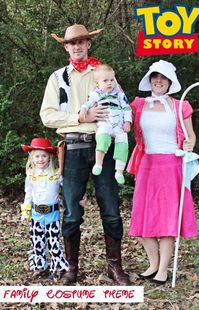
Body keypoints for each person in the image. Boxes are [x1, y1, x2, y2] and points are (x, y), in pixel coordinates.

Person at [40, 24, 130, 285]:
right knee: (71, 212)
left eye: (82, 41)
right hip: (74, 148)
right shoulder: (58, 78)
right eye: (72, 43)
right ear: (66, 47)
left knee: (111, 208)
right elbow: (47, 116)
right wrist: (79, 116)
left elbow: (122, 103)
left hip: (105, 146)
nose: (77, 46)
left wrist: (124, 122)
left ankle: (115, 266)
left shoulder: (103, 73)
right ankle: (72, 267)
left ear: (89, 43)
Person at [127, 60, 199, 285]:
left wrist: (189, 145)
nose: (158, 80)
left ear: (170, 82)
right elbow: (119, 116)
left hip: (171, 166)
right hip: (147, 165)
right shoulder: (138, 105)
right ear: (150, 79)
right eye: (155, 76)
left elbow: (191, 136)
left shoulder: (179, 106)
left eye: (163, 77)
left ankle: (163, 269)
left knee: (168, 219)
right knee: (142, 221)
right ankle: (153, 263)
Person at [21, 137, 68, 279]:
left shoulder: (56, 173)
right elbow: (28, 194)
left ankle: (58, 266)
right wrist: (26, 212)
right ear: (31, 157)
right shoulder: (30, 175)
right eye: (37, 156)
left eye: (43, 156)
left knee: (53, 241)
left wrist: (79, 197)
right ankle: (40, 266)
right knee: (37, 241)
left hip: (52, 213)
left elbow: (68, 188)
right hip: (36, 214)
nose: (40, 159)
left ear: (49, 157)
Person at [80, 64, 132, 184]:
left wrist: (127, 122)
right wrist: (83, 110)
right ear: (97, 83)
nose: (109, 83)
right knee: (102, 138)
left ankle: (119, 171)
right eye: (105, 80)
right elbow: (87, 104)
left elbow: (126, 108)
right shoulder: (96, 94)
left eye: (112, 80)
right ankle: (98, 164)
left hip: (119, 124)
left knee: (123, 144)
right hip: (105, 121)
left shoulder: (119, 94)